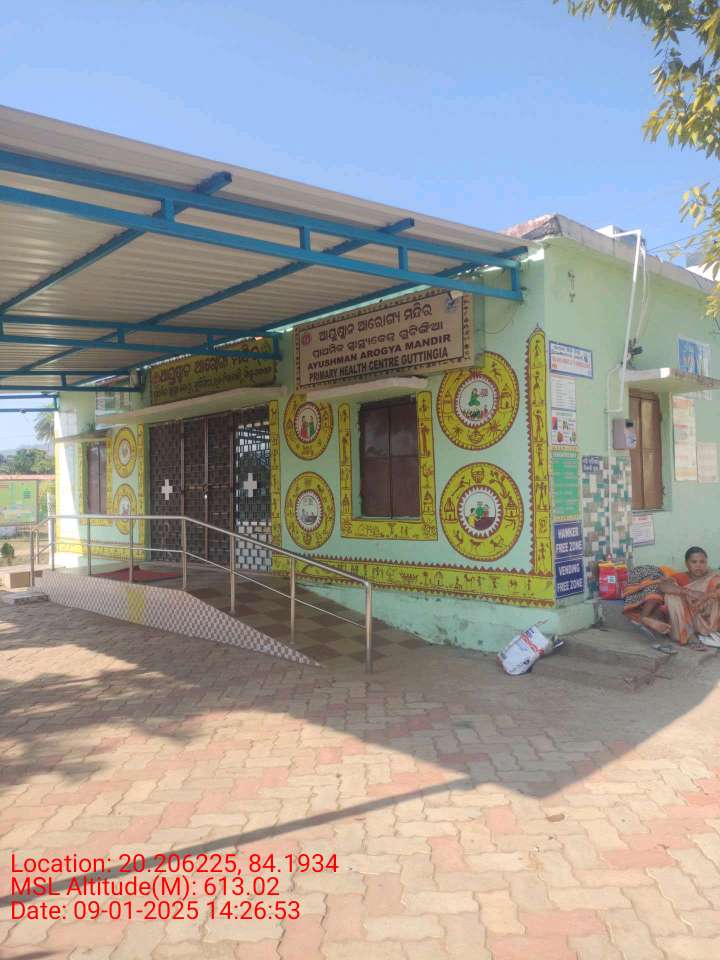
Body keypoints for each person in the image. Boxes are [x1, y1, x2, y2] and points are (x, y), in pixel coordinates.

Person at [660, 547, 720, 647]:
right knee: (671, 596)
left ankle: (708, 632)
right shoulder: (681, 577)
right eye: (694, 562)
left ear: (706, 563)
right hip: (688, 617)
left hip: (710, 617)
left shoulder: (713, 576)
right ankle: (687, 635)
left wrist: (705, 597)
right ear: (686, 563)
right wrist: (689, 592)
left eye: (702, 562)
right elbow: (663, 586)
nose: (698, 565)